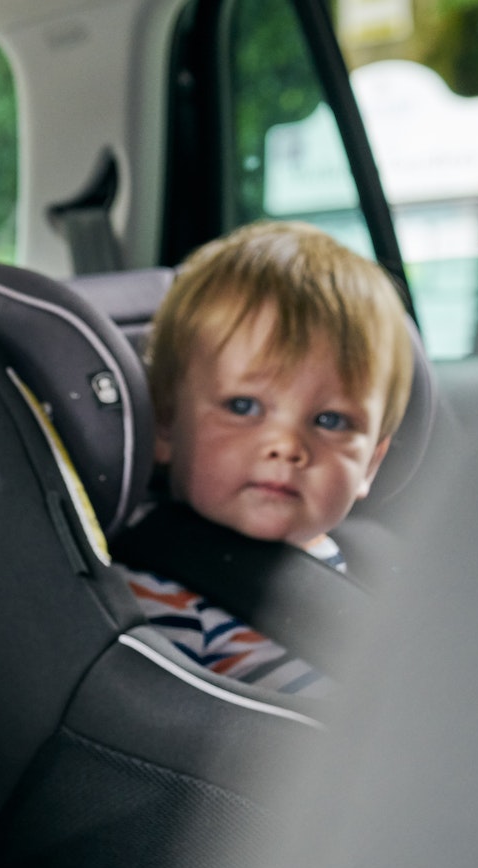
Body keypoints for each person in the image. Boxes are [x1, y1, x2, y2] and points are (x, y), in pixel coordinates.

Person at [122, 220, 416, 696]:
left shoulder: (374, 564)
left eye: (331, 421)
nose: (288, 447)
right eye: (244, 407)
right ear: (165, 424)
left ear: (371, 463)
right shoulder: (155, 597)